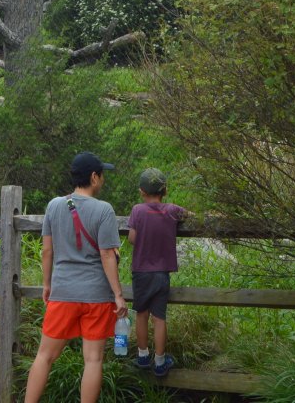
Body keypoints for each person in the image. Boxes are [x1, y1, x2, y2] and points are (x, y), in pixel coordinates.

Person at [23, 152, 126, 403]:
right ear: (93, 177)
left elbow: (47, 251)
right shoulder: (104, 210)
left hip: (63, 292)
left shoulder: (54, 206)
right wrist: (118, 295)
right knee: (93, 359)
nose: (103, 180)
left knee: (44, 356)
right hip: (96, 296)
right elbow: (107, 255)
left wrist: (47, 284)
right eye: (101, 175)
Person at [126, 167, 187, 377]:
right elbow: (188, 215)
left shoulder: (137, 211)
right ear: (165, 190)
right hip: (162, 273)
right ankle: (160, 362)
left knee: (141, 314)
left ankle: (143, 356)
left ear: (142, 191)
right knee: (159, 318)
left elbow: (132, 238)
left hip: (141, 272)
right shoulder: (172, 210)